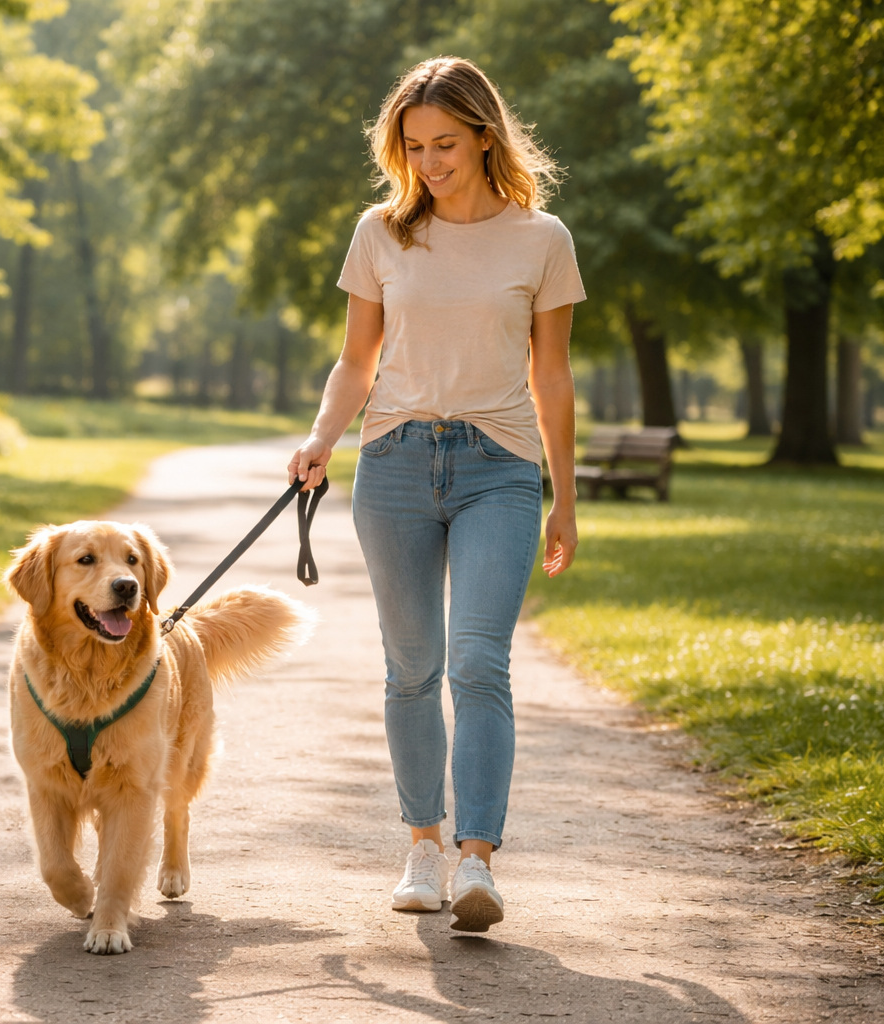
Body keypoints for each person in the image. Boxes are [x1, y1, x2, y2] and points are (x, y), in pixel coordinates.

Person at [289, 56, 584, 934]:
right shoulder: (380, 232)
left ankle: (477, 861)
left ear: (485, 134)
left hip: (498, 466)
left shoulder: (543, 239)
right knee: (410, 670)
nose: (429, 161)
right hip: (396, 464)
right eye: (413, 146)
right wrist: (320, 437)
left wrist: (563, 497)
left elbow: (554, 377)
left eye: (445, 143)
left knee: (478, 663)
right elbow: (357, 359)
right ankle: (422, 842)